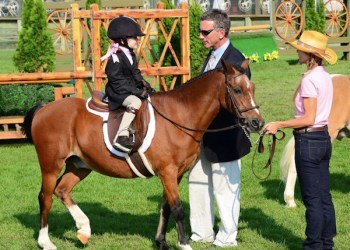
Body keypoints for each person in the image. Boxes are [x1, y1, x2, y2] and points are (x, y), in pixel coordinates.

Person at [264, 30, 337, 250]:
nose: (297, 51)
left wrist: (279, 124)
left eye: (301, 49)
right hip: (323, 139)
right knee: (323, 195)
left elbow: (308, 118)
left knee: (312, 199)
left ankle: (314, 245)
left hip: (309, 141)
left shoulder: (310, 80)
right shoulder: (322, 76)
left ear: (310, 55)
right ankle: (326, 241)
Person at [188, 9, 251, 247]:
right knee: (198, 182)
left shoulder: (236, 61)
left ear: (221, 32)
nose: (201, 36)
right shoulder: (213, 55)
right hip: (202, 135)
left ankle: (227, 236)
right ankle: (201, 232)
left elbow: (238, 103)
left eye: (205, 32)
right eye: (200, 31)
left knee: (225, 190)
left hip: (226, 135)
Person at [101, 16, 153, 153]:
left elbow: (135, 72)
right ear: (123, 40)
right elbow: (117, 81)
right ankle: (122, 135)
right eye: (134, 37)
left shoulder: (129, 53)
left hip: (127, 89)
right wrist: (136, 92)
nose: (137, 40)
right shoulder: (115, 57)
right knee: (136, 102)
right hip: (117, 92)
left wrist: (144, 84)